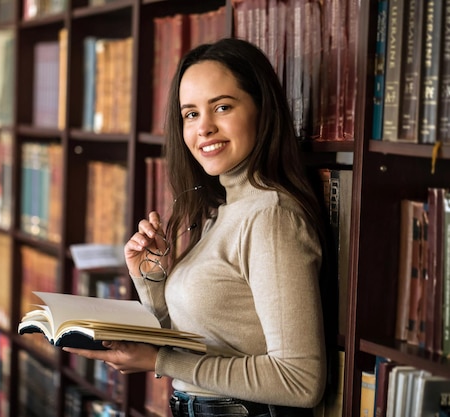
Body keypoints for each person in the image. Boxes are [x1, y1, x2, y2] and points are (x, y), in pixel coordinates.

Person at [63, 37, 332, 417]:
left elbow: (300, 380)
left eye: (222, 107)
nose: (203, 128)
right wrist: (151, 281)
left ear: (262, 110)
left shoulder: (271, 216)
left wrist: (160, 361)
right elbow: (202, 342)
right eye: (190, 114)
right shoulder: (220, 211)